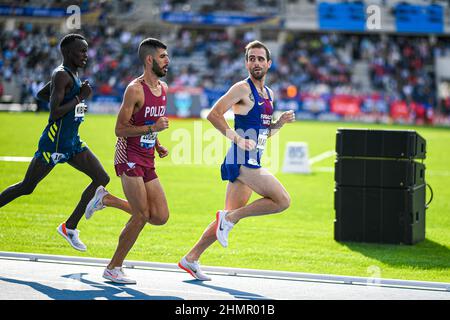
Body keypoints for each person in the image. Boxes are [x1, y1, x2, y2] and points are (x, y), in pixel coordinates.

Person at [0, 34, 158, 252]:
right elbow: (54, 113)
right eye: (81, 51)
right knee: (27, 187)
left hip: (73, 143)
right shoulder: (61, 75)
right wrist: (79, 97)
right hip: (54, 144)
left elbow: (40, 94)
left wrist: (71, 96)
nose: (86, 55)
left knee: (101, 177)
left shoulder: (70, 75)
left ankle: (70, 227)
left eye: (86, 50)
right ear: (67, 53)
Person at [178, 40, 295, 281]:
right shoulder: (242, 88)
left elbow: (263, 134)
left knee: (228, 216)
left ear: (269, 63)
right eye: (251, 58)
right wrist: (237, 139)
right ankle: (228, 219)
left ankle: (190, 258)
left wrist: (279, 124)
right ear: (246, 63)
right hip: (243, 160)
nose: (256, 62)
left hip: (252, 156)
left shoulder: (269, 94)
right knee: (282, 201)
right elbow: (214, 114)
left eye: (260, 59)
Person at [101, 38, 171, 284]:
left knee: (160, 216)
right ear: (149, 59)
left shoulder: (163, 89)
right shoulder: (134, 89)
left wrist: (158, 144)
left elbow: (149, 127)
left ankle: (106, 199)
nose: (167, 60)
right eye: (163, 56)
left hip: (148, 157)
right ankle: (113, 267)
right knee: (141, 215)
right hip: (128, 155)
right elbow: (120, 129)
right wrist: (152, 126)